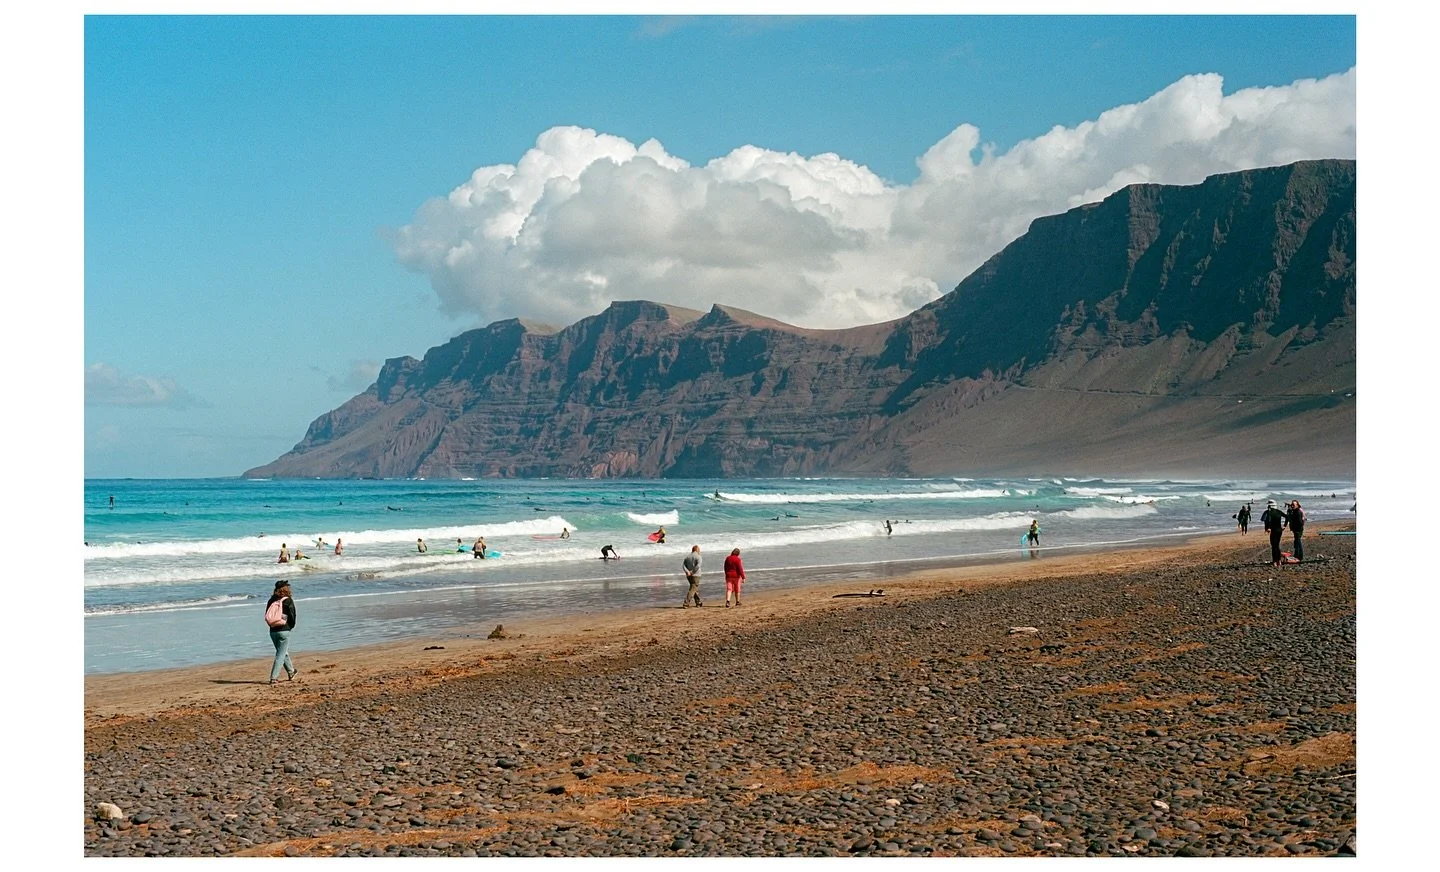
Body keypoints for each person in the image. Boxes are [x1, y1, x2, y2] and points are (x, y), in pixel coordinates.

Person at [265, 580, 298, 684]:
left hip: (273, 631)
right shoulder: (288, 600)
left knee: (282, 652)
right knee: (280, 654)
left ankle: (291, 672)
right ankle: (273, 678)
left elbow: (268, 615)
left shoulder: (271, 600)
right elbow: (292, 616)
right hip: (284, 630)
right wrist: (290, 627)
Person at [1260, 499, 1288, 567]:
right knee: (1277, 545)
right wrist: (1284, 525)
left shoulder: (1268, 512)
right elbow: (1287, 517)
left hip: (1273, 530)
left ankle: (1275, 561)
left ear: (1269, 506)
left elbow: (1265, 520)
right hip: (1279, 530)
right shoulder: (1278, 511)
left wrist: (1268, 528)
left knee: (1274, 546)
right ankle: (1279, 561)